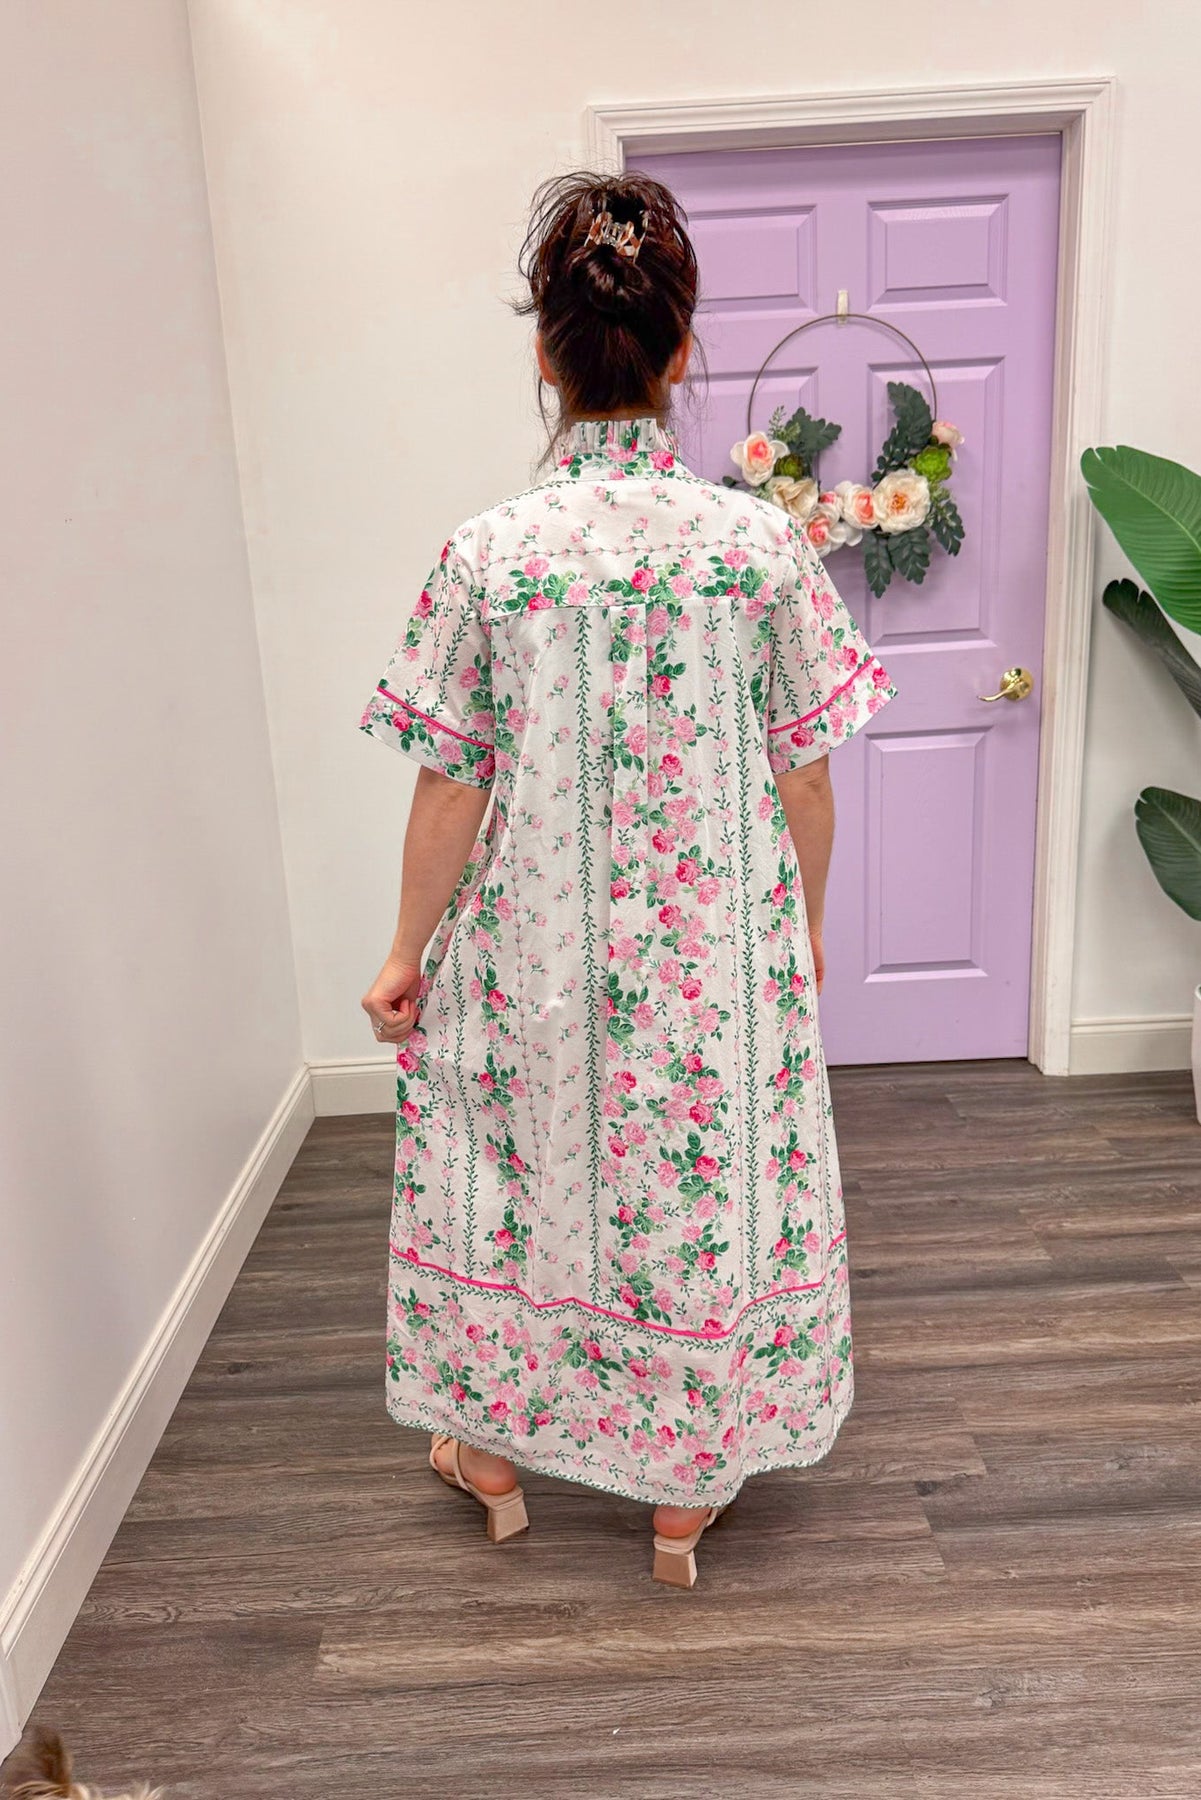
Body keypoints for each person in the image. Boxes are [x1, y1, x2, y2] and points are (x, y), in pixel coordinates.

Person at [358, 169, 898, 1587]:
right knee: (695, 1193)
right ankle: (679, 1499)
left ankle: (490, 1458)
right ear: (682, 351)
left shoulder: (487, 556)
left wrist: (405, 952)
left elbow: (450, 780)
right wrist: (805, 929)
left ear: (546, 358)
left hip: (530, 948)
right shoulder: (758, 546)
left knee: (509, 1169)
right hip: (712, 957)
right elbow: (806, 772)